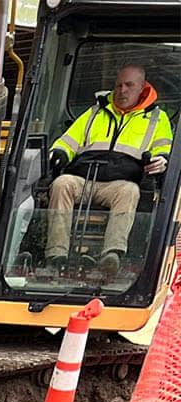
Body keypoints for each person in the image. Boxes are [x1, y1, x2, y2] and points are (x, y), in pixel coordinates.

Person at [45, 64, 172, 280]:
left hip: (118, 186)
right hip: (84, 180)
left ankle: (111, 255)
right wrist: (59, 153)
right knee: (61, 183)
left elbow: (164, 150)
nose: (122, 91)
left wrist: (162, 160)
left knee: (130, 191)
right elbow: (67, 141)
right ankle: (55, 254)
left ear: (142, 88)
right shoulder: (94, 113)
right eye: (118, 85)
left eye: (129, 85)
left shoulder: (157, 120)